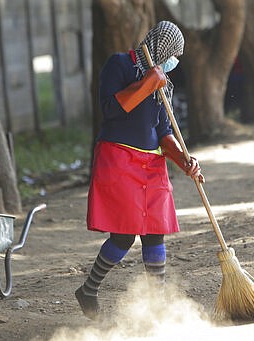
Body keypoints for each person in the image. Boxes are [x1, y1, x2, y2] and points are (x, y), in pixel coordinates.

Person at [75, 20, 204, 320]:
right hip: (119, 159)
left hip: (152, 165)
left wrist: (184, 160)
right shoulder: (117, 65)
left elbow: (163, 133)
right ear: (163, 48)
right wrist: (147, 83)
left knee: (156, 232)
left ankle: (156, 307)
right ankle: (89, 289)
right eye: (174, 54)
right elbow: (111, 109)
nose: (175, 62)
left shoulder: (164, 86)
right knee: (123, 235)